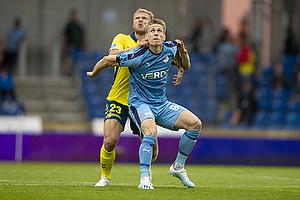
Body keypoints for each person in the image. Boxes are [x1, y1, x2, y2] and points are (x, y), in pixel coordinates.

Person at [87, 18, 202, 189]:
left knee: (195, 124)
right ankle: (144, 180)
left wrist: (183, 52)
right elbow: (106, 60)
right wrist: (93, 73)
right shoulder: (136, 55)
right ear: (146, 36)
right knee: (149, 131)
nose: (156, 34)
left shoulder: (171, 48)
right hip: (139, 103)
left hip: (161, 104)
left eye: (159, 31)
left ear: (164, 36)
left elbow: (185, 64)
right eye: (152, 31)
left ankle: (178, 167)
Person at [62, 8, 85, 76]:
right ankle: (67, 72)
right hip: (71, 45)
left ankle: (74, 73)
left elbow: (83, 36)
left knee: (76, 60)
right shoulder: (69, 25)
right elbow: (65, 36)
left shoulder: (78, 26)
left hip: (78, 46)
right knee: (69, 58)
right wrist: (64, 46)